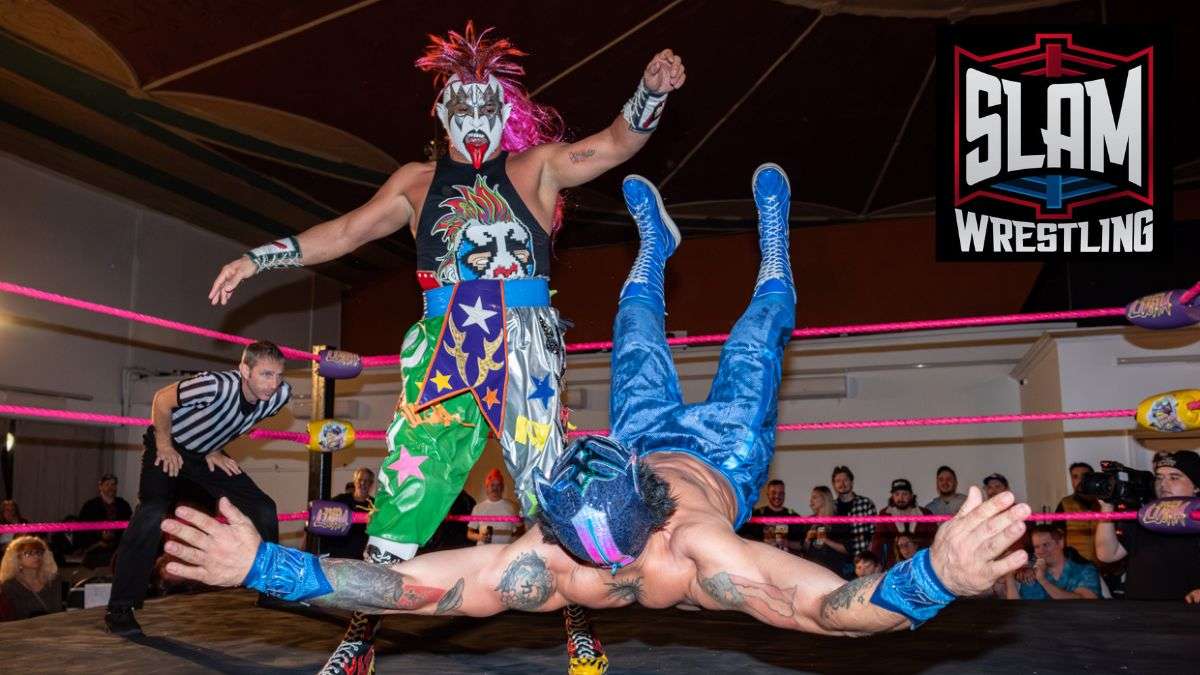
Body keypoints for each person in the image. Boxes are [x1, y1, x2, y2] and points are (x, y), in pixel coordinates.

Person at [163, 166, 1032, 643]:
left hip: (653, 427)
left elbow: (405, 587)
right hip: (724, 454)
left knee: (632, 324)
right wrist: (937, 579)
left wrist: (266, 567)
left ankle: (656, 243)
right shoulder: (691, 552)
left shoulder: (544, 559)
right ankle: (776, 252)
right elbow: (825, 609)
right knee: (755, 337)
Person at [207, 24, 685, 675]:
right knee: (402, 498)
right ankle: (359, 636)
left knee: (556, 496)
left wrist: (648, 93)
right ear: (441, 112)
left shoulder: (536, 166)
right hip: (443, 344)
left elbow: (612, 144)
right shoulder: (416, 183)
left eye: (487, 101)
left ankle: (578, 623)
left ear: (504, 108)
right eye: (461, 102)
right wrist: (260, 257)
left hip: (521, 341)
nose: (475, 115)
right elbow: (346, 231)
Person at [104, 341, 290, 637]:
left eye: (279, 375)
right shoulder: (213, 385)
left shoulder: (279, 396)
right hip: (168, 445)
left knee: (263, 507)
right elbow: (162, 401)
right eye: (266, 375)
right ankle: (120, 608)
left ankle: (269, 588)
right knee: (152, 513)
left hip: (205, 454)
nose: (274, 384)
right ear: (244, 369)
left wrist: (215, 448)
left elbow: (235, 421)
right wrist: (164, 445)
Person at [1094, 451, 1200, 601]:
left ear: (1196, 486)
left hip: (1184, 615)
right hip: (1139, 613)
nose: (1163, 484)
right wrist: (1107, 507)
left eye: (1174, 478)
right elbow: (1107, 554)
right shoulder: (1144, 512)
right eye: (1159, 477)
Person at [1004, 526, 1100, 600]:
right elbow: (1020, 611)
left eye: (1046, 545)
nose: (1041, 551)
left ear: (1061, 543)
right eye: (1037, 547)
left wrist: (1043, 581)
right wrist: (1009, 576)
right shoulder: (1031, 574)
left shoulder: (1084, 570)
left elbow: (1086, 602)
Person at [870, 479, 937, 568]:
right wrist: (875, 565)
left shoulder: (925, 514)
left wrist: (914, 543)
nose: (900, 498)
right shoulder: (885, 515)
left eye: (904, 494)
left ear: (911, 496)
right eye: (897, 494)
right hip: (895, 567)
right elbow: (877, 543)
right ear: (892, 497)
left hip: (922, 566)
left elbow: (935, 540)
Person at [75, 473, 133, 568]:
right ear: (100, 487)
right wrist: (99, 537)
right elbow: (82, 529)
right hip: (96, 553)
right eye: (107, 484)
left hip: (118, 552)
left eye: (113, 484)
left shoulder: (123, 505)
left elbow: (130, 527)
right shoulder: (90, 506)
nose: (111, 487)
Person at [0, 536, 63, 621]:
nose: (36, 556)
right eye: (28, 553)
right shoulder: (10, 585)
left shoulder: (53, 580)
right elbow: (14, 617)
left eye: (39, 552)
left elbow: (57, 611)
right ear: (17, 558)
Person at [321, 468, 375, 559]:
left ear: (371, 484)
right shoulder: (340, 500)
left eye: (366, 481)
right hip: (337, 554)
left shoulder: (375, 505)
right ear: (355, 481)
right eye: (360, 480)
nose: (362, 483)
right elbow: (321, 515)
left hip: (360, 558)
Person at [799, 486, 852, 578]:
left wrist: (826, 540)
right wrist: (807, 539)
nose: (811, 500)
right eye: (811, 497)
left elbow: (846, 549)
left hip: (833, 571)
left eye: (815, 497)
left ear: (825, 498)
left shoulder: (839, 521)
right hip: (812, 571)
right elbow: (804, 549)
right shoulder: (809, 520)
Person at [738, 479, 802, 553]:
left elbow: (802, 545)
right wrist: (763, 543)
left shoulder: (794, 517)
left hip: (785, 561)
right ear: (768, 494)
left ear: (784, 495)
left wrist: (787, 543)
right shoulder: (756, 515)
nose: (777, 496)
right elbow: (742, 539)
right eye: (773, 492)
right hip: (761, 559)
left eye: (781, 493)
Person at [1054, 462, 1100, 562]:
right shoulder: (1064, 504)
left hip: (1106, 566)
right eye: (1075, 477)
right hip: (1076, 568)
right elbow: (1056, 538)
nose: (1079, 480)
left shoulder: (1105, 504)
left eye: (1084, 476)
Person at [831, 466, 876, 557]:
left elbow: (874, 533)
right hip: (837, 561)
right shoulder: (831, 507)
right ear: (834, 485)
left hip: (861, 558)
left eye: (845, 480)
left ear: (852, 482)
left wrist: (869, 556)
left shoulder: (865, 503)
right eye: (838, 481)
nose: (842, 484)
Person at [468, 469, 520, 546]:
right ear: (487, 487)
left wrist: (511, 541)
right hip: (483, 552)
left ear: (502, 488)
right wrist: (480, 537)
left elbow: (521, 529)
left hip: (504, 553)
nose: (495, 488)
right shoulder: (478, 508)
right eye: (492, 485)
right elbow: (470, 533)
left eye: (498, 485)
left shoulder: (512, 507)